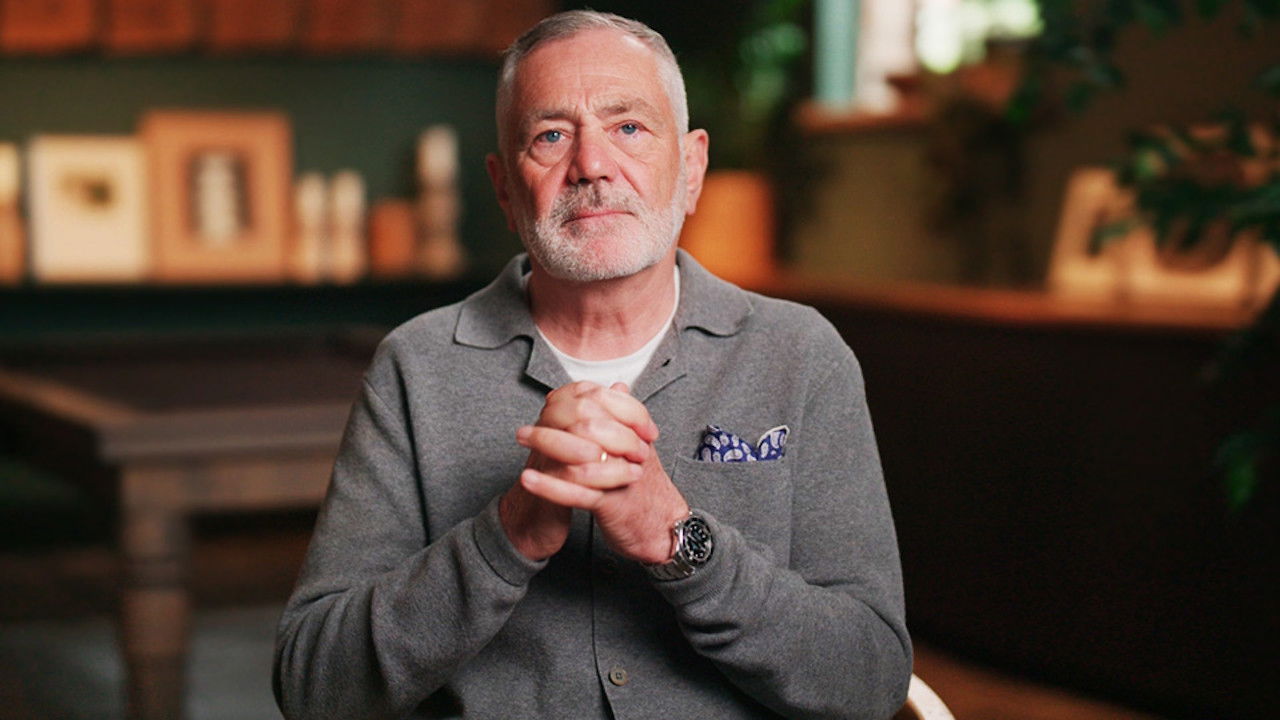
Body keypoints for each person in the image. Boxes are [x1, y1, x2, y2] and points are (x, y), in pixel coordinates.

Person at [274, 10, 911, 720]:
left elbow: (870, 680)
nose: (592, 165)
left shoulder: (802, 355)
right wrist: (508, 536)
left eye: (628, 127)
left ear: (692, 168)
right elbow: (314, 688)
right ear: (504, 188)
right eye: (550, 136)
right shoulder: (415, 367)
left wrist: (678, 540)